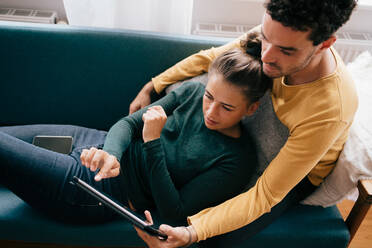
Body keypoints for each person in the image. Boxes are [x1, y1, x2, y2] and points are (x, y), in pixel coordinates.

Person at [132, 0, 359, 247]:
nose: (266, 55)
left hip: (298, 174)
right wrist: (153, 85)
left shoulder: (330, 108)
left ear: (324, 45)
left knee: (210, 238)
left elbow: (266, 194)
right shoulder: (275, 35)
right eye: (265, 38)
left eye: (286, 51)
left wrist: (193, 232)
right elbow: (209, 58)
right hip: (249, 137)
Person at [0, 46, 271, 226]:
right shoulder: (191, 93)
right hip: (92, 143)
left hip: (98, 190)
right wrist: (111, 155)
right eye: (209, 97)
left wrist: (152, 143)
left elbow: (174, 215)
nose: (211, 111)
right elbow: (128, 124)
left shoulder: (236, 160)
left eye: (227, 107)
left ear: (251, 108)